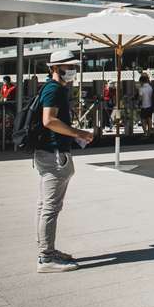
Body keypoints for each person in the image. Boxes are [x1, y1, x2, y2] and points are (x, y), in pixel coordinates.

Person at [36, 50, 94, 273]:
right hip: (54, 153)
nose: (73, 70)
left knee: (44, 205)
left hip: (50, 152)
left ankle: (46, 249)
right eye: (68, 66)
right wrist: (78, 132)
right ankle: (46, 257)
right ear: (55, 67)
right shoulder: (54, 89)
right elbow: (49, 120)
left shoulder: (55, 88)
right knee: (50, 206)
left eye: (74, 66)